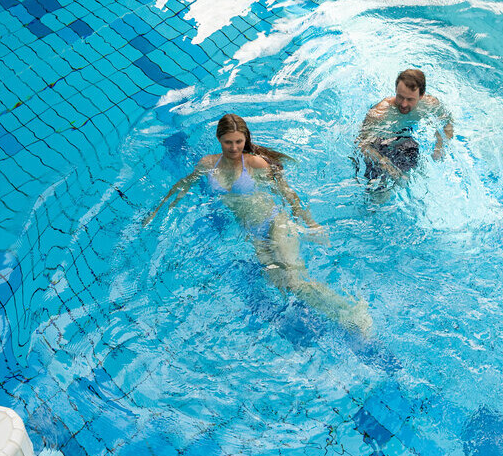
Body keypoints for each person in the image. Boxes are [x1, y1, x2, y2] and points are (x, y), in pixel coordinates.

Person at [148, 114, 372, 336]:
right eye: (228, 142)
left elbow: (288, 193)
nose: (234, 148)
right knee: (282, 286)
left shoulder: (255, 163)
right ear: (219, 139)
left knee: (294, 281)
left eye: (239, 142)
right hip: (255, 234)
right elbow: (182, 186)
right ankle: (336, 319)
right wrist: (158, 213)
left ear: (245, 139)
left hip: (275, 223)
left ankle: (354, 314)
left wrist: (310, 223)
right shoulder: (208, 164)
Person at [358, 68, 455, 181]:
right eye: (400, 97)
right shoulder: (380, 113)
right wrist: (382, 162)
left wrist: (439, 147)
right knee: (381, 190)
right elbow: (362, 144)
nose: (403, 104)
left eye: (410, 99)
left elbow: (447, 122)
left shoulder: (429, 105)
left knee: (415, 179)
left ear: (421, 95)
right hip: (379, 146)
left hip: (405, 141)